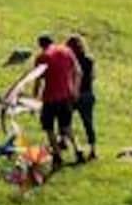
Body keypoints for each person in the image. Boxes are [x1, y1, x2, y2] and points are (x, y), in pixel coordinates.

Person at [33, 34, 79, 164]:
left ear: (41, 45)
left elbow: (38, 79)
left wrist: (35, 96)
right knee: (67, 126)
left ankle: (58, 155)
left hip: (50, 98)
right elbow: (78, 71)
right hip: (66, 96)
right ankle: (78, 150)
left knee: (49, 128)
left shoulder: (42, 57)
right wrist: (74, 90)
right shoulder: (67, 51)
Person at [66, 34, 97, 162]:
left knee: (65, 121)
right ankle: (93, 150)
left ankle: (69, 143)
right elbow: (93, 76)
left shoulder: (71, 61)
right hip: (88, 94)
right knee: (88, 123)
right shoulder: (89, 60)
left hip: (74, 95)